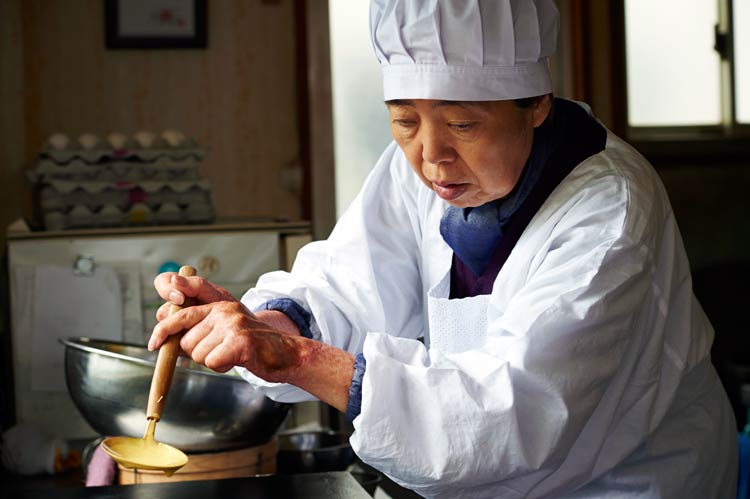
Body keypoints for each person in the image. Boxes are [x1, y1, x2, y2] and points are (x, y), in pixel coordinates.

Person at [148, 0, 738, 497]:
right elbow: (350, 284)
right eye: (405, 121)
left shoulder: (608, 212)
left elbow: (511, 410)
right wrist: (264, 326)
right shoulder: (420, 170)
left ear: (536, 105)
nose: (431, 157)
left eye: (462, 125)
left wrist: (291, 356)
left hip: (622, 482)